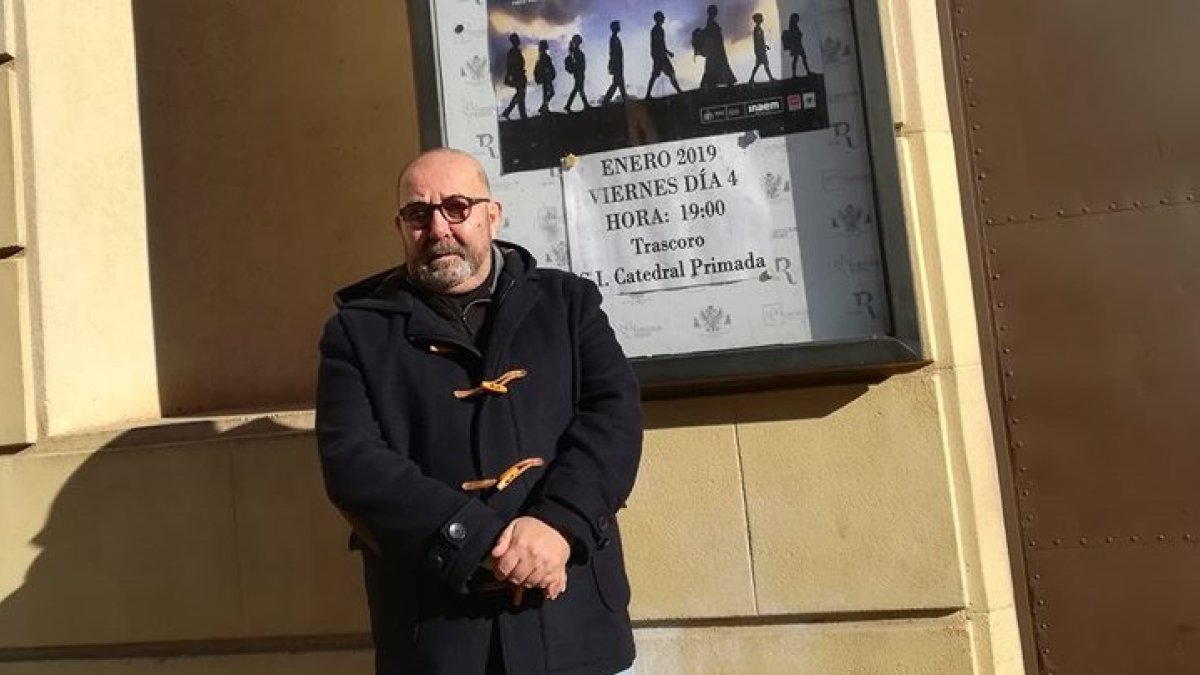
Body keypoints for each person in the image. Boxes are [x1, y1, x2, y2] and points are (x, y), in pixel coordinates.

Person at [316, 147, 642, 675]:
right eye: (419, 214)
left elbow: (614, 418)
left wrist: (558, 524)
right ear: (400, 226)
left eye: (457, 207)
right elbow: (354, 464)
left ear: (493, 214)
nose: (438, 228)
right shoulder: (357, 333)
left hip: (573, 622)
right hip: (441, 638)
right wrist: (478, 541)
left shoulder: (568, 304)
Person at [697, 4, 736, 89]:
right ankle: (709, 83)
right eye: (715, 11)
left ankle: (708, 83)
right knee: (714, 66)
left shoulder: (710, 22)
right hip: (715, 48)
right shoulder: (711, 22)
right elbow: (711, 34)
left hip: (715, 47)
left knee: (714, 66)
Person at [645, 10, 682, 98]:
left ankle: (679, 91)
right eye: (662, 17)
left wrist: (667, 53)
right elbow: (659, 44)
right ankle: (679, 91)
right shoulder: (657, 30)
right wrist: (666, 53)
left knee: (660, 74)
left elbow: (660, 44)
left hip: (660, 55)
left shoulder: (657, 29)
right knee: (668, 73)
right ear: (658, 19)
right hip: (660, 56)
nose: (663, 18)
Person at [501, 33, 528, 120]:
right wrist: (509, 76)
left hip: (520, 76)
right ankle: (522, 115)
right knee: (521, 95)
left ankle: (507, 111)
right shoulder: (512, 52)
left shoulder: (516, 51)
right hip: (518, 76)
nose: (518, 41)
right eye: (517, 39)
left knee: (519, 95)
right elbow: (509, 66)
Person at [601, 21, 628, 105]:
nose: (619, 27)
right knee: (617, 82)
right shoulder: (613, 39)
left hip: (618, 63)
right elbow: (613, 53)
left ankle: (624, 98)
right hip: (617, 64)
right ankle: (606, 100)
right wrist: (614, 64)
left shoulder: (615, 38)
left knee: (619, 82)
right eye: (618, 26)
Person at [563, 34, 591, 112]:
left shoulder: (574, 50)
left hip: (579, 72)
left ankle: (568, 105)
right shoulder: (574, 51)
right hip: (578, 72)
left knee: (577, 89)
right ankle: (584, 104)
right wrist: (579, 69)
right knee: (579, 89)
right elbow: (576, 62)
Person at [748, 13, 775, 83]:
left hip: (761, 49)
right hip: (760, 50)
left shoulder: (758, 28)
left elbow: (760, 40)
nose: (762, 19)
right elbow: (758, 40)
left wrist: (765, 46)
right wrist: (762, 48)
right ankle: (770, 78)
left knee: (760, 64)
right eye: (761, 18)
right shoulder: (757, 29)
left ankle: (752, 79)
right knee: (763, 64)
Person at [782, 13, 810, 77]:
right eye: (796, 18)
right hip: (796, 46)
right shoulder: (793, 26)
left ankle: (806, 71)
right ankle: (796, 73)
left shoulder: (794, 26)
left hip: (798, 45)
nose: (797, 19)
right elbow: (795, 35)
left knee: (800, 58)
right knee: (798, 59)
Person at [533, 39, 556, 115]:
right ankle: (544, 107)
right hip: (546, 78)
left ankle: (544, 107)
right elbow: (546, 67)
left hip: (546, 78)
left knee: (546, 93)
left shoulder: (542, 56)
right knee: (550, 93)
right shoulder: (544, 57)